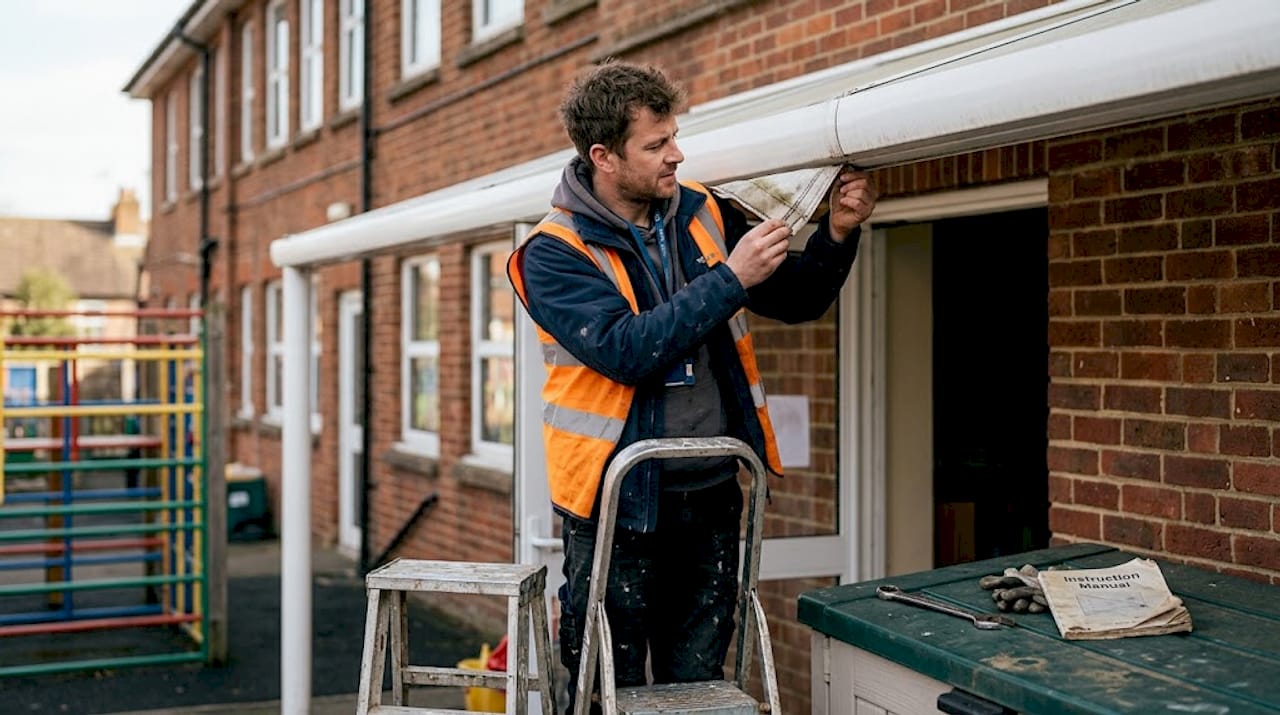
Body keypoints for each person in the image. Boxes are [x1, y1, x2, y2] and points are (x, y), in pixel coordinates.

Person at [506, 59, 877, 713]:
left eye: (674, 136)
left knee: (700, 686)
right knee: (605, 686)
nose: (677, 154)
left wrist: (838, 233)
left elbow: (795, 297)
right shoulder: (552, 252)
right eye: (656, 144)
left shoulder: (704, 212)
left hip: (710, 496)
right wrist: (729, 280)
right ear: (605, 156)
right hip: (617, 508)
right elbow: (626, 349)